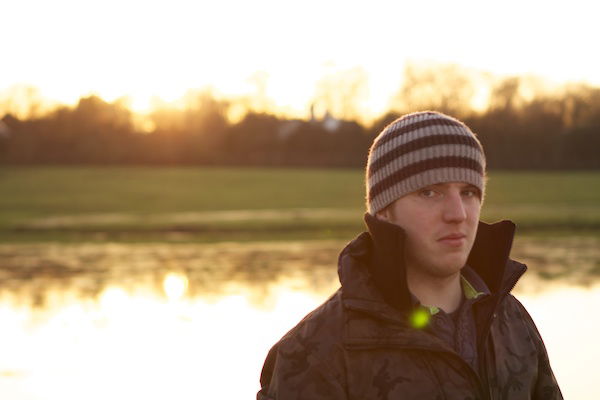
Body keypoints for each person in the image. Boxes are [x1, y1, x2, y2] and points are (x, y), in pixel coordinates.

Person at [257, 111, 562, 399]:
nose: (458, 214)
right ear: (384, 212)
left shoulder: (511, 318)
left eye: (469, 192)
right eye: (430, 192)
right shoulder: (314, 351)